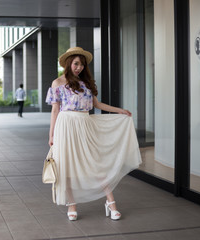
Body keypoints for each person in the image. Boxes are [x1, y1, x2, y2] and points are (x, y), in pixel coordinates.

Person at [46, 47, 142, 221]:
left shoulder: (86, 83)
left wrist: (119, 110)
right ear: (68, 63)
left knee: (95, 164)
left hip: (84, 124)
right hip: (65, 126)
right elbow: (55, 111)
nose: (79, 67)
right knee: (66, 166)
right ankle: (72, 204)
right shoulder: (57, 83)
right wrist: (51, 136)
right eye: (76, 64)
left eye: (82, 65)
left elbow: (97, 104)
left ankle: (111, 203)